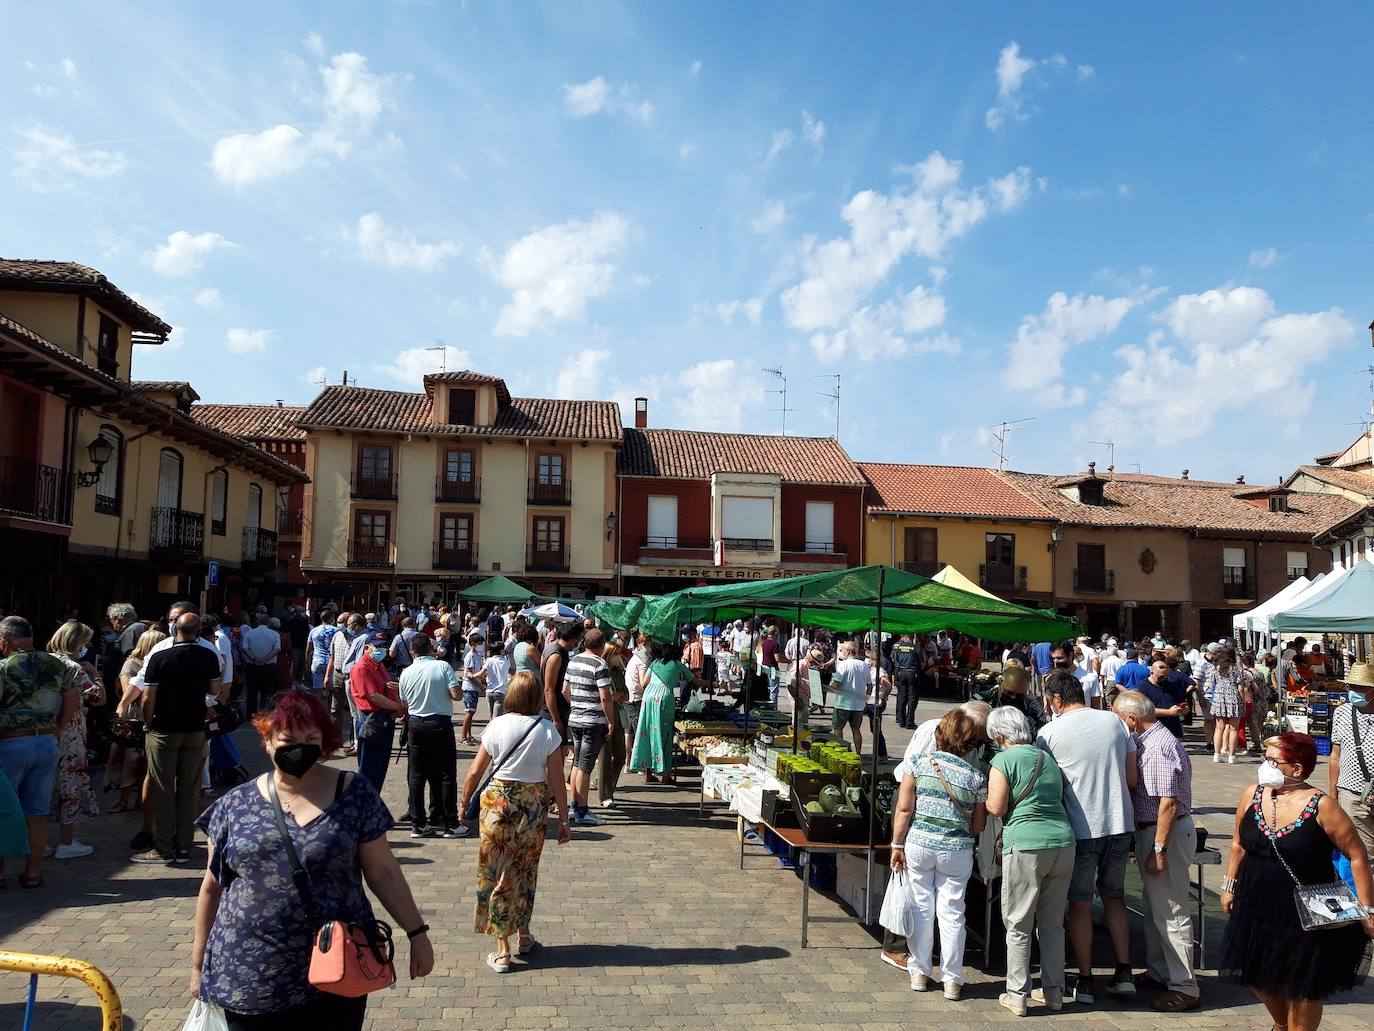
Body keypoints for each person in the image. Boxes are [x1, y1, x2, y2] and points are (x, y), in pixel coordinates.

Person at [191, 691, 432, 1027]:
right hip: (250, 970)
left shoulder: (354, 793)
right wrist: (198, 964)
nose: (299, 749)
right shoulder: (234, 805)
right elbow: (212, 887)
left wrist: (416, 933)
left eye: (311, 740)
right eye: (288, 740)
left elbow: (384, 873)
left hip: (337, 965)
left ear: (324, 742)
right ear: (266, 740)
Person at [1219, 732, 1374, 1031]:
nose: (1265, 766)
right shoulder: (1252, 794)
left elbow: (1357, 855)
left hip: (1307, 911)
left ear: (1297, 768)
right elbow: (1238, 843)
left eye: (1273, 761)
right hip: (1256, 901)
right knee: (1257, 974)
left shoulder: (1322, 805)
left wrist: (1368, 909)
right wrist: (1229, 885)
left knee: (1304, 984)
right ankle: (1281, 1024)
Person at [1037, 671, 1138, 1005]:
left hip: (1081, 826)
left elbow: (1047, 785)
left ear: (1055, 699)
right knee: (1114, 897)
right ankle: (1124, 972)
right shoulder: (1115, 722)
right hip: (1120, 821)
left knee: (1079, 902)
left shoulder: (1049, 733)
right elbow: (1132, 778)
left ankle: (1085, 978)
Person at [460, 671, 570, 973]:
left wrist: (464, 802)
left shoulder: (496, 725)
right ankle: (522, 934)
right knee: (524, 870)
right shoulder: (546, 729)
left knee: (496, 871)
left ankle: (503, 947)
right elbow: (557, 779)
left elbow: (475, 771)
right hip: (533, 805)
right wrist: (564, 818)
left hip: (497, 804)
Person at [889, 709, 988, 1002]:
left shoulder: (918, 764)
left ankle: (919, 972)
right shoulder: (976, 776)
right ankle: (952, 980)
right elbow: (979, 825)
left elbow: (904, 809)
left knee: (921, 908)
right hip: (957, 850)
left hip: (919, 844)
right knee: (953, 913)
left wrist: (896, 845)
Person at [985, 706, 1075, 1016]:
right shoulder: (1046, 758)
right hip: (1062, 842)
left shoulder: (1003, 761)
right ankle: (1054, 992)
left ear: (1000, 736)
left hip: (1026, 844)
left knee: (1018, 924)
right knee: (1052, 924)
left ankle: (1017, 994)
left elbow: (997, 807)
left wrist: (984, 800)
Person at [1114, 691, 1199, 1011]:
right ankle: (1161, 971)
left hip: (1164, 832)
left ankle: (1184, 986)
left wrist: (1159, 849)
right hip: (1154, 830)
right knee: (1155, 907)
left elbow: (1168, 803)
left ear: (1131, 719)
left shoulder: (1158, 747)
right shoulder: (1149, 742)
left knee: (1171, 911)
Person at [134, 612, 222, 865]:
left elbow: (148, 697)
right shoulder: (208, 655)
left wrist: (148, 723)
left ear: (175, 630)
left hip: (164, 727)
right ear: (198, 631)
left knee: (163, 788)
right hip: (194, 728)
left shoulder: (160, 657)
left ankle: (164, 846)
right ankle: (184, 845)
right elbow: (215, 689)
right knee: (188, 788)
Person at [0, 616, 79, 889]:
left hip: (11, 743)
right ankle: (33, 871)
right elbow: (72, 695)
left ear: (5, 641)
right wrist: (60, 727)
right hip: (46, 741)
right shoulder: (55, 663)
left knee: (3, 807)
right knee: (37, 809)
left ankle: (0, 872)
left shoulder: (4, 667)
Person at [396, 634, 466, 839]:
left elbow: (404, 704)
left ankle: (418, 824)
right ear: (431, 649)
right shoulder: (443, 667)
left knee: (416, 775)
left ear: (412, 652)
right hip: (439, 723)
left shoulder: (406, 672)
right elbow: (456, 695)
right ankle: (450, 823)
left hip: (415, 724)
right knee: (446, 774)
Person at [45, 621, 103, 860]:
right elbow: (98, 698)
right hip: (70, 732)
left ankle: (38, 842)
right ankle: (67, 841)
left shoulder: (43, 662)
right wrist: (96, 674)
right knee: (69, 783)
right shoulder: (74, 667)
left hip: (43, 731)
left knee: (43, 786)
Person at [109, 627, 167, 820]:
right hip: (134, 716)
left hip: (153, 715)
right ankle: (124, 800)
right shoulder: (131, 664)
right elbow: (128, 690)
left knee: (147, 761)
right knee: (131, 760)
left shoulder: (161, 663)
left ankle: (143, 801)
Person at [630, 641, 702, 785]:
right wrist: (713, 684)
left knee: (647, 732)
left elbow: (644, 683)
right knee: (665, 735)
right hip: (663, 698)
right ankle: (665, 775)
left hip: (648, 697)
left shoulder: (655, 663)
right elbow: (696, 681)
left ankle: (648, 773)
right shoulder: (678, 665)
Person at [564, 628, 615, 826]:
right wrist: (610, 721)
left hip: (575, 719)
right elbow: (605, 697)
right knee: (585, 766)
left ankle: (573, 806)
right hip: (593, 722)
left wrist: (577, 704)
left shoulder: (574, 660)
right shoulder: (599, 664)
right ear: (602, 645)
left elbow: (565, 690)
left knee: (577, 763)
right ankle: (582, 810)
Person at [349, 631, 407, 793]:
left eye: (384, 646)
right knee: (369, 769)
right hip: (371, 720)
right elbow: (373, 696)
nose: (382, 649)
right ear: (367, 647)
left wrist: (397, 704)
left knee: (379, 768)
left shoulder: (378, 665)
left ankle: (373, 800)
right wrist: (398, 707)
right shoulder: (362, 667)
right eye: (378, 646)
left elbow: (387, 689)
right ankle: (365, 802)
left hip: (384, 718)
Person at [1330, 662, 1374, 858]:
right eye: (1351, 687)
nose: (1354, 692)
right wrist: (1333, 794)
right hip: (1352, 793)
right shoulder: (1342, 713)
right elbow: (1335, 755)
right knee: (1363, 853)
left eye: (1360, 688)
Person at [597, 634, 629, 809]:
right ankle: (605, 794)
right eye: (616, 654)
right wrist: (615, 696)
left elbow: (625, 694)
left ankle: (608, 786)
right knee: (605, 757)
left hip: (618, 714)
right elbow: (606, 696)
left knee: (621, 755)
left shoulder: (618, 672)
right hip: (604, 717)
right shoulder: (602, 671)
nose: (619, 657)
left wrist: (617, 696)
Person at [541, 623, 581, 760]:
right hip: (551, 710)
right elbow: (548, 688)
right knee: (554, 755)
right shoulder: (556, 655)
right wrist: (555, 718)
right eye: (579, 639)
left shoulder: (556, 650)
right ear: (574, 639)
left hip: (557, 710)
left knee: (559, 753)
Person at [974, 664, 1048, 732]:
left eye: (1019, 695)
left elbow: (1043, 732)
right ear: (1000, 683)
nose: (1013, 697)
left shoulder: (1034, 708)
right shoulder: (981, 701)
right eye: (1009, 692)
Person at [1206, 643, 1247, 764]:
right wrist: (1243, 702)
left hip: (1219, 698)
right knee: (1234, 729)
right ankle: (1232, 756)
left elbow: (1210, 685)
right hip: (1233, 698)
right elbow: (1241, 688)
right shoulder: (1237, 670)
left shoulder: (1215, 669)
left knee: (1219, 728)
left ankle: (1216, 754)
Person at [830, 640, 871, 753]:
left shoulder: (843, 665)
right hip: (858, 705)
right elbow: (870, 686)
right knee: (856, 729)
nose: (842, 653)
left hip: (843, 703)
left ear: (848, 652)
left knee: (838, 728)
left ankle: (839, 751)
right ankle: (858, 753)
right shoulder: (864, 665)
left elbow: (836, 684)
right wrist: (865, 700)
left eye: (842, 651)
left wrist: (828, 687)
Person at [1137, 656, 1190, 739]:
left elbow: (1181, 702)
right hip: (1153, 732)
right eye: (1161, 677)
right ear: (1152, 673)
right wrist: (1168, 712)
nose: (1164, 679)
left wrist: (1184, 708)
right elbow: (1143, 710)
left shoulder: (1171, 685)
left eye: (1166, 676)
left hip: (1173, 730)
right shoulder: (1142, 687)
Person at [239, 613, 281, 716]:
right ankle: (265, 715)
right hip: (268, 666)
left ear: (257, 622)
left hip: (252, 666)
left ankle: (251, 715)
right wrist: (265, 659)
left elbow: (245, 648)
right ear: (269, 623)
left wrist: (254, 658)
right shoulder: (275, 634)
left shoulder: (250, 633)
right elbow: (277, 648)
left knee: (251, 692)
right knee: (266, 692)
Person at [459, 631, 486, 746]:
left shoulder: (478, 656)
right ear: (473, 644)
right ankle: (463, 736)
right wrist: (480, 686)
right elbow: (470, 674)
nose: (481, 645)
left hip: (475, 688)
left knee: (472, 712)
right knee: (469, 712)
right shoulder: (470, 656)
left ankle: (469, 735)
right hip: (470, 688)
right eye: (479, 643)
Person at [891, 633, 922, 729]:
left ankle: (901, 720)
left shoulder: (899, 647)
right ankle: (909, 721)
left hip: (901, 672)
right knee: (912, 698)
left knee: (901, 696)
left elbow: (894, 660)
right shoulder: (916, 647)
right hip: (912, 672)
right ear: (913, 638)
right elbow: (922, 661)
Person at [306, 611, 336, 694]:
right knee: (331, 690)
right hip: (331, 663)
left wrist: (308, 665)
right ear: (331, 618)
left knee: (317, 690)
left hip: (317, 661)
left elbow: (308, 650)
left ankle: (319, 702)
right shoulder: (336, 631)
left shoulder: (314, 631)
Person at [482, 639, 510, 720]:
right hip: (500, 691)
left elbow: (482, 673)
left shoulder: (489, 660)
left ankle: (490, 727)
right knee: (497, 718)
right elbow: (509, 673)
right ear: (501, 651)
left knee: (491, 716)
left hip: (489, 691)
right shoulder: (505, 661)